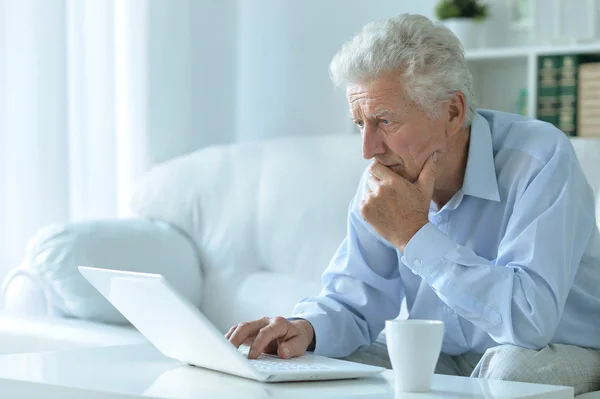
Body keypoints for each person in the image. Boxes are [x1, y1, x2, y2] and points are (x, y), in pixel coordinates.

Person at [226, 13, 600, 394]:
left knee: (507, 368)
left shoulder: (539, 158)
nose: (368, 149)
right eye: (360, 123)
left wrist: (414, 234)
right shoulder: (383, 175)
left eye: (385, 121)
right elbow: (355, 299)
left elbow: (528, 321)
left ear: (452, 112)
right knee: (312, 363)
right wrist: (303, 330)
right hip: (445, 353)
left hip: (559, 348)